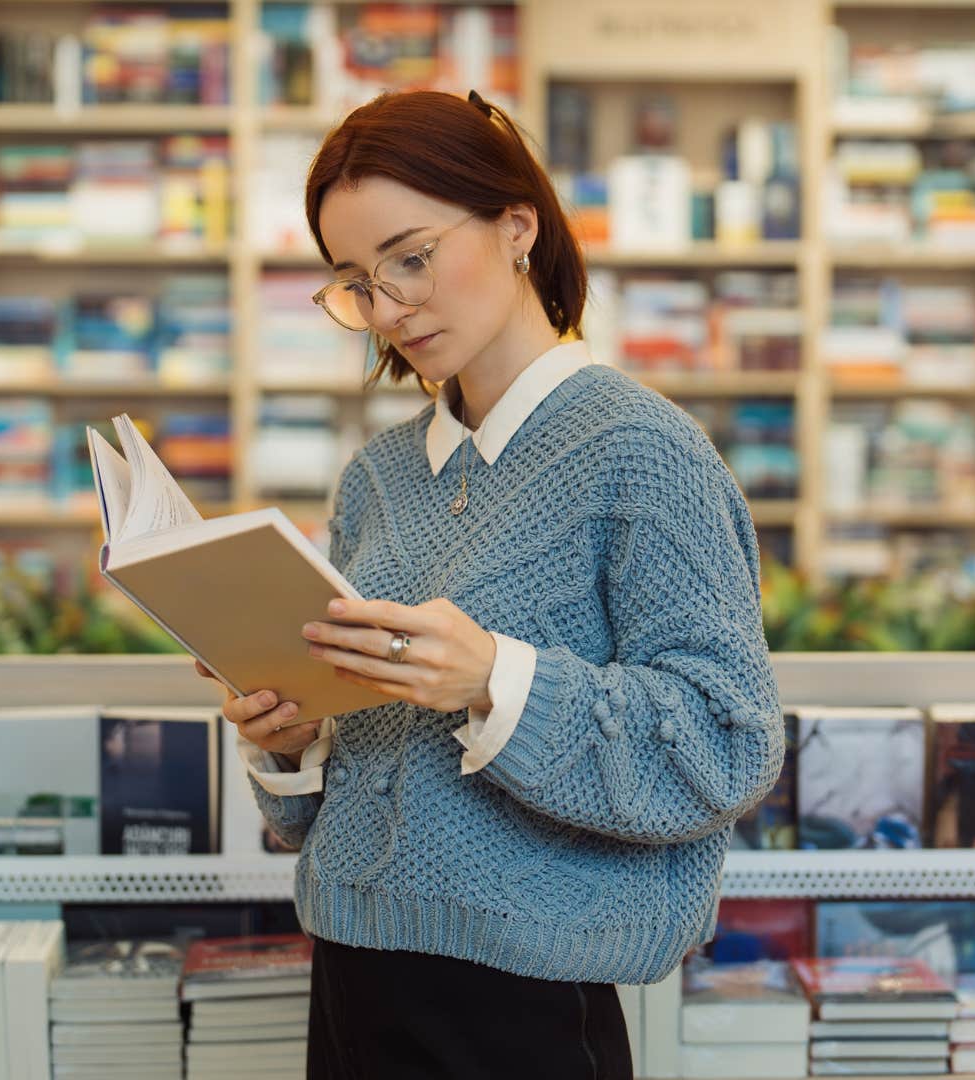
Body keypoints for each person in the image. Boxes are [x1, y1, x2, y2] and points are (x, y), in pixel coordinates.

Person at [194, 88, 783, 1080]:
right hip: (350, 975)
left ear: (519, 226)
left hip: (529, 1002)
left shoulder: (642, 453)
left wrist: (493, 679)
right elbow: (330, 806)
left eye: (411, 258)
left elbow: (726, 743)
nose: (387, 307)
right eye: (355, 282)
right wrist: (292, 741)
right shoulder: (377, 477)